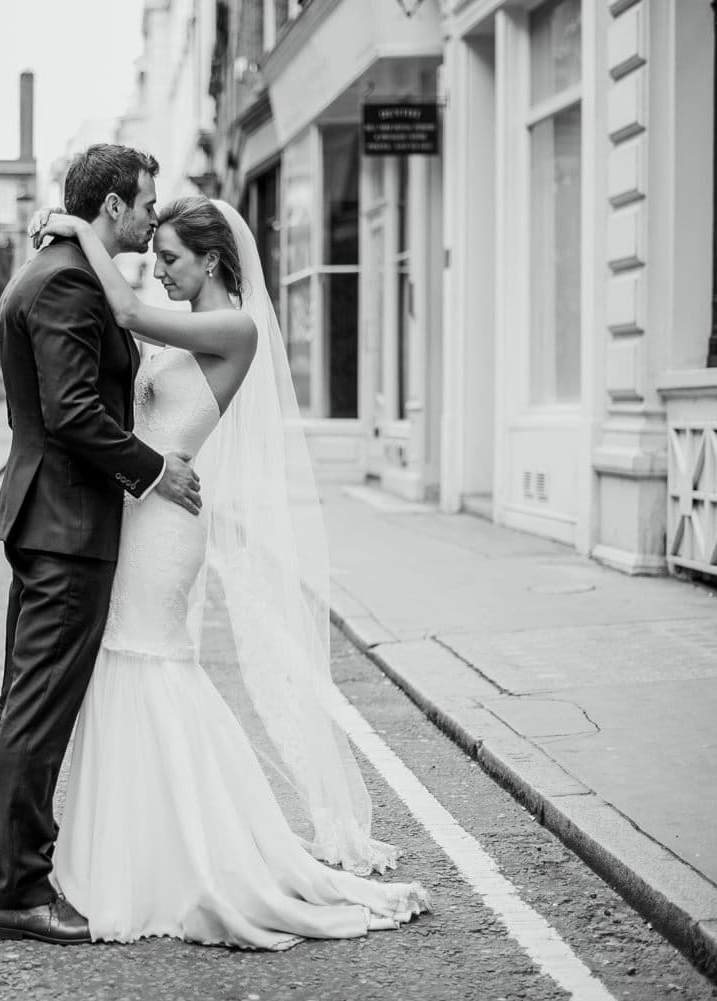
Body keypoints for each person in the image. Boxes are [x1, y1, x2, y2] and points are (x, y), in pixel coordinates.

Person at [30, 195, 430, 949]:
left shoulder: (233, 327)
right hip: (141, 508)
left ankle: (186, 855)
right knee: (124, 667)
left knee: (147, 665)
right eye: (158, 259)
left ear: (211, 260)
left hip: (165, 527)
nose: (162, 270)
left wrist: (83, 228)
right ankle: (133, 847)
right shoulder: (188, 319)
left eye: (172, 258)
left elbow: (128, 314)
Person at [0, 144, 202, 945]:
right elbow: (75, 412)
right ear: (112, 206)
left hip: (50, 520)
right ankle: (20, 893)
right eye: (146, 202)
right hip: (68, 528)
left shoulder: (50, 268)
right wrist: (154, 473)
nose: (153, 215)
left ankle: (18, 872)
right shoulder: (71, 282)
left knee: (27, 705)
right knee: (39, 713)